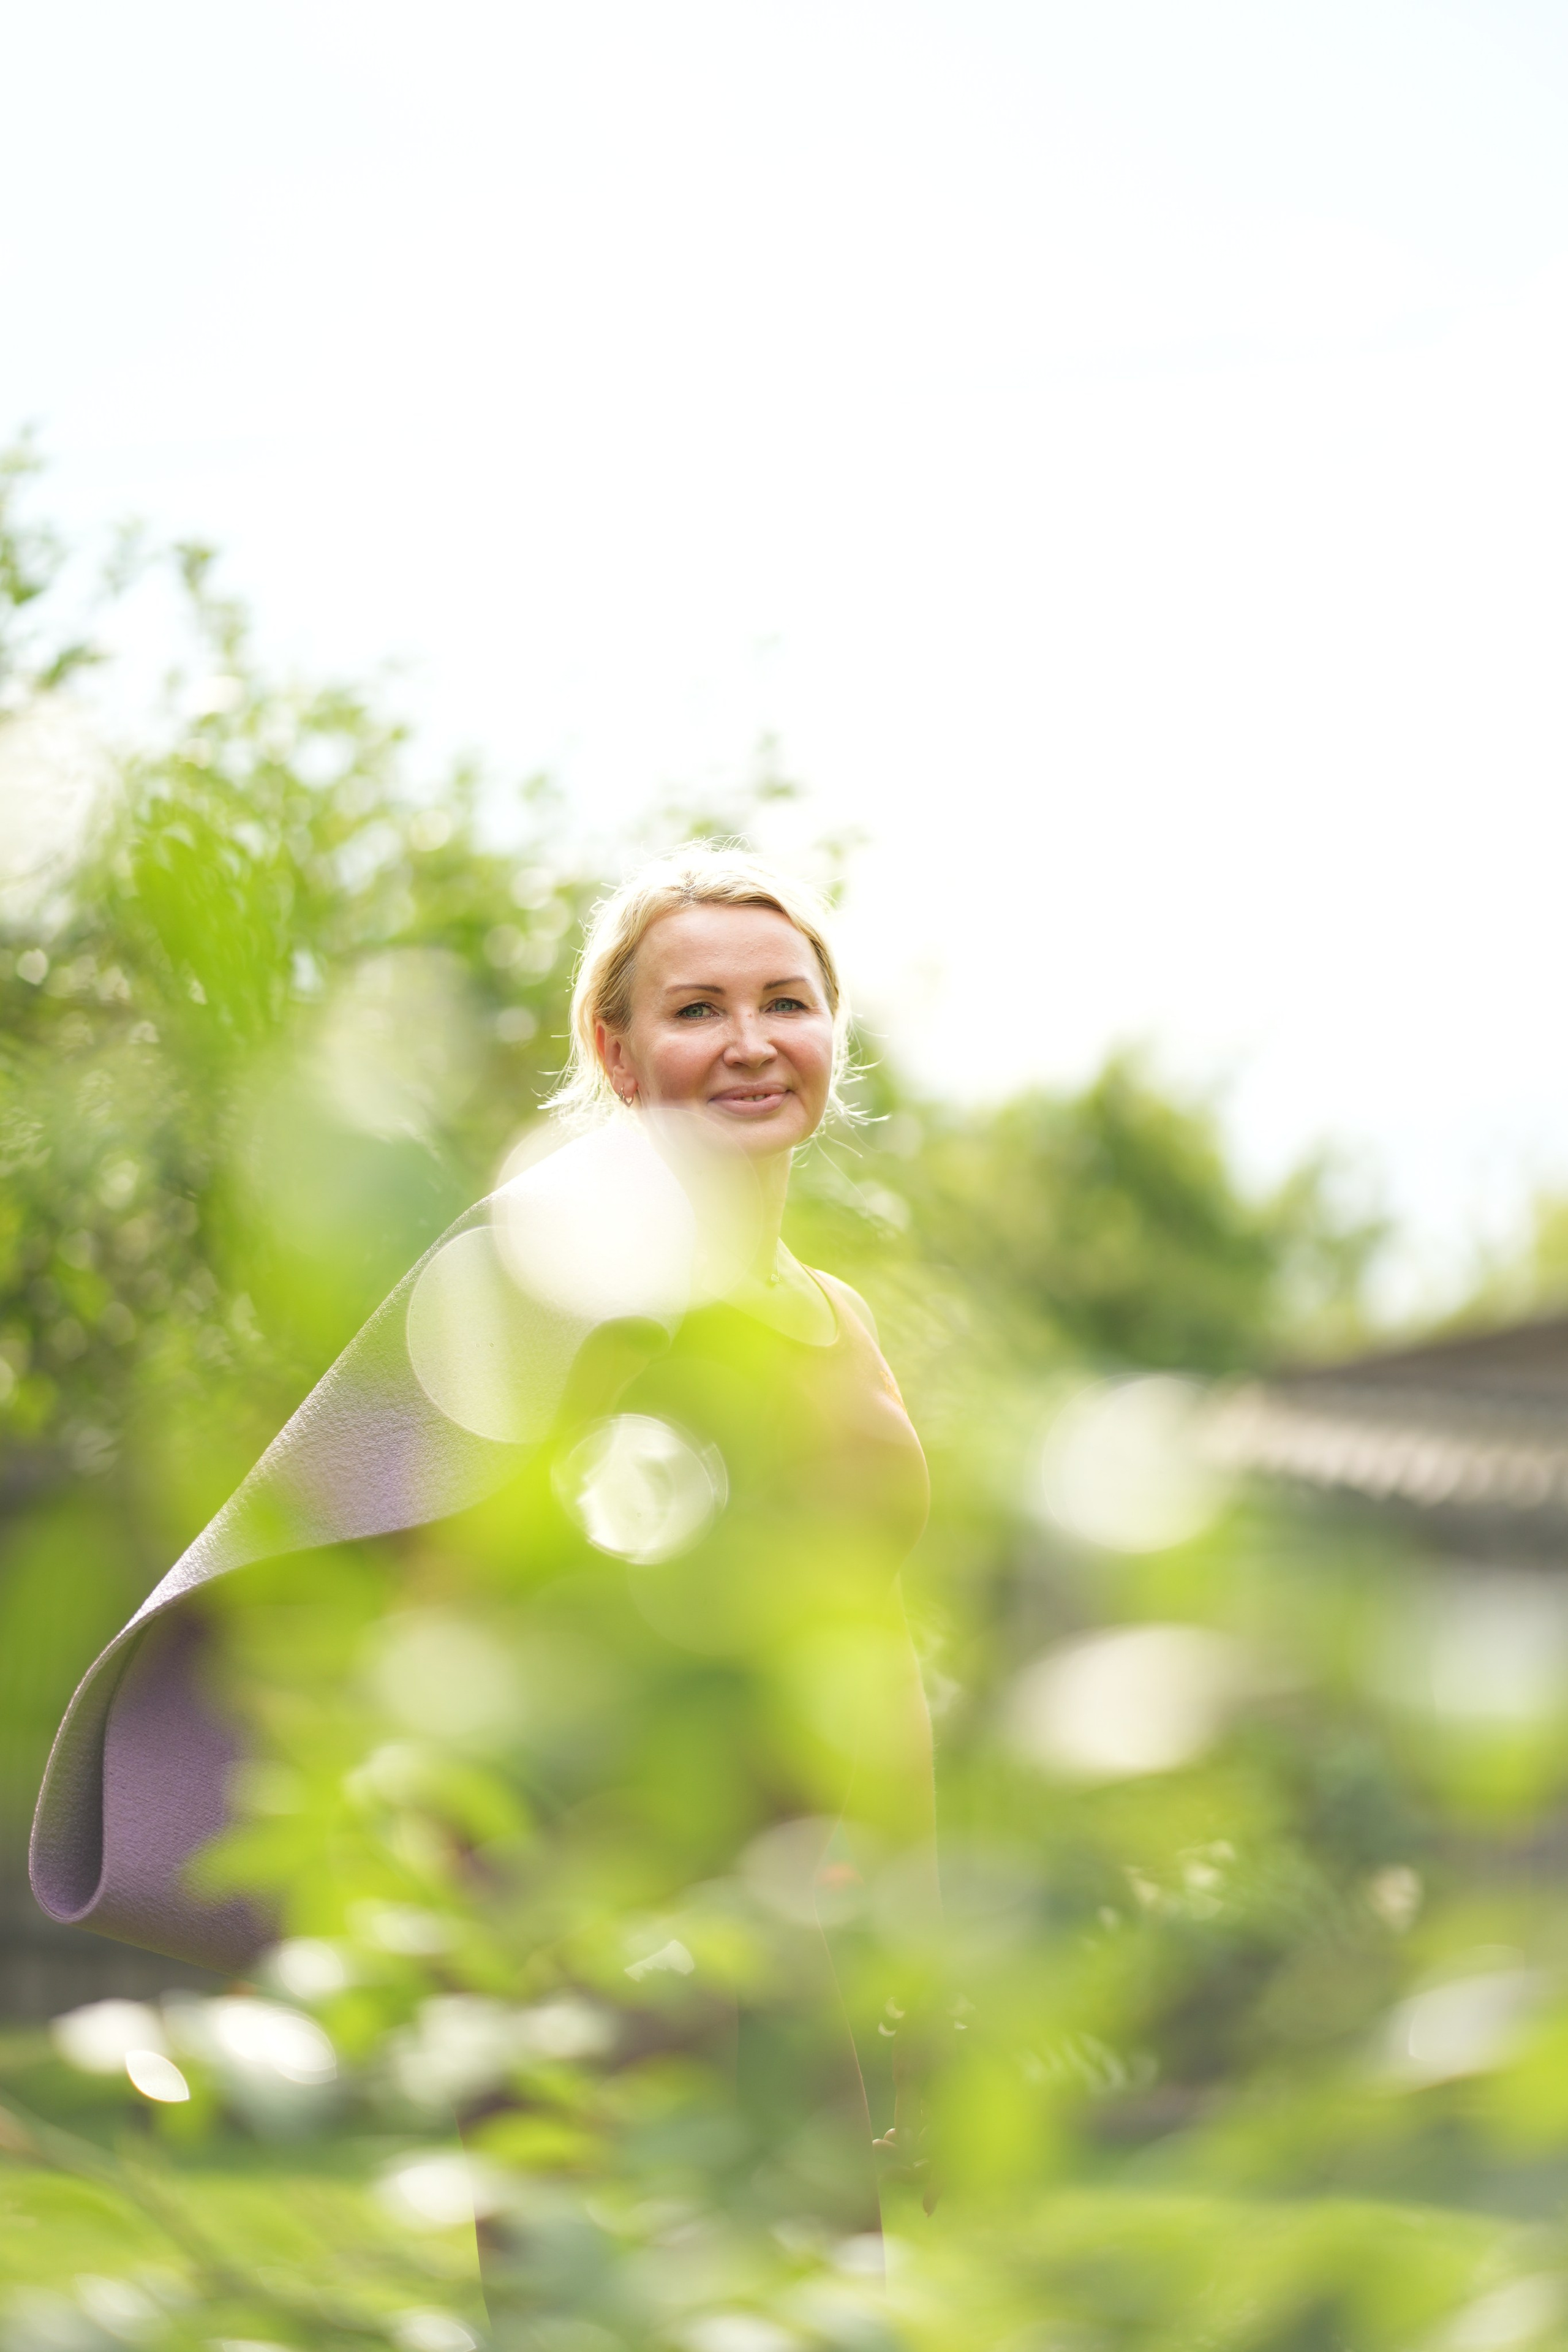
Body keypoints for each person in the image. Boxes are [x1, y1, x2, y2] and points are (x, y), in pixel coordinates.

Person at [31, 842, 937, 2237]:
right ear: (617, 1050)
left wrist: (904, 1927)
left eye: (786, 1002)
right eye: (695, 1010)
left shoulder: (838, 1317)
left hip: (811, 1922)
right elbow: (424, 1597)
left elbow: (869, 1641)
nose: (751, 1043)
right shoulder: (552, 1272)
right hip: (607, 1928)